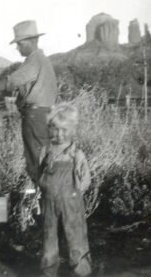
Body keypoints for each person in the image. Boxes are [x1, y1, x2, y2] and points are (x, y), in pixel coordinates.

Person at [0, 20, 58, 184]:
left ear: (31, 42)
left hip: (35, 117)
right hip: (44, 114)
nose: (17, 48)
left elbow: (11, 81)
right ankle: (42, 197)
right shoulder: (43, 60)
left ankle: (41, 198)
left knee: (36, 160)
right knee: (43, 157)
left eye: (19, 43)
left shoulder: (33, 61)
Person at [38, 104, 92, 277]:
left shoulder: (76, 154)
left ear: (73, 129)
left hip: (71, 203)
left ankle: (81, 271)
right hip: (48, 203)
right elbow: (39, 175)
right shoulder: (45, 152)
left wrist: (73, 194)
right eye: (55, 129)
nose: (59, 134)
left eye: (64, 130)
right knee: (49, 238)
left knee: (75, 238)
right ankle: (49, 271)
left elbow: (84, 182)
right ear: (49, 129)